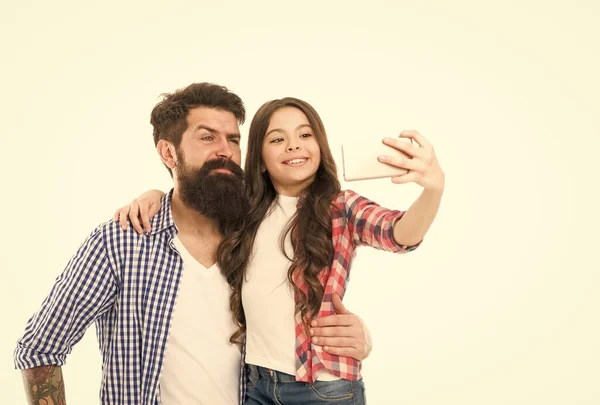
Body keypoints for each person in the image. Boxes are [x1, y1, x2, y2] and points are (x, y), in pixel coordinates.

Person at [14, 83, 372, 405]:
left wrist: (358, 336)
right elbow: (39, 348)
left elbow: (295, 305)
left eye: (233, 139)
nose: (225, 151)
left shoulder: (252, 231)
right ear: (168, 153)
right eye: (207, 138)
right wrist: (154, 195)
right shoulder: (122, 242)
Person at [117, 97, 445, 404]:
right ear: (259, 160)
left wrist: (433, 189)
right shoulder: (243, 209)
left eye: (305, 134)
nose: (293, 145)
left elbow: (399, 233)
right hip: (256, 385)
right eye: (277, 139)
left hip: (323, 387)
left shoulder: (341, 208)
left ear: (320, 146)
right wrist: (156, 194)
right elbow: (193, 197)